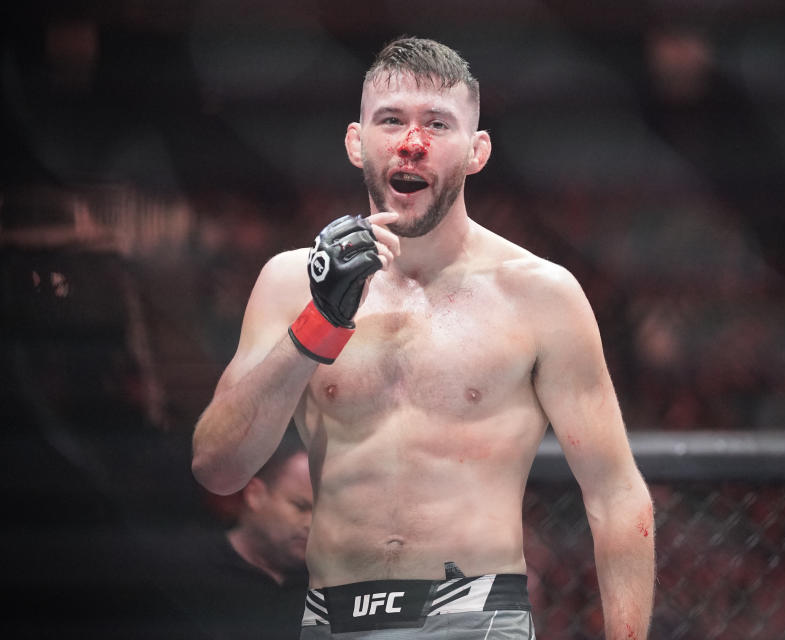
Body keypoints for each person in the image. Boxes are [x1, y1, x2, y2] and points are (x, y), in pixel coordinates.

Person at [192, 36, 655, 639]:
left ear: (476, 151)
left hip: (476, 617)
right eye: (392, 121)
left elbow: (618, 497)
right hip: (332, 619)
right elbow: (217, 467)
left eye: (438, 123)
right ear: (357, 142)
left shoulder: (542, 295)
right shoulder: (288, 282)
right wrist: (320, 323)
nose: (413, 144)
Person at [168, 428, 311, 639]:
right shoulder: (183, 572)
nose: (313, 522)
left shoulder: (330, 586)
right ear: (255, 494)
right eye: (300, 506)